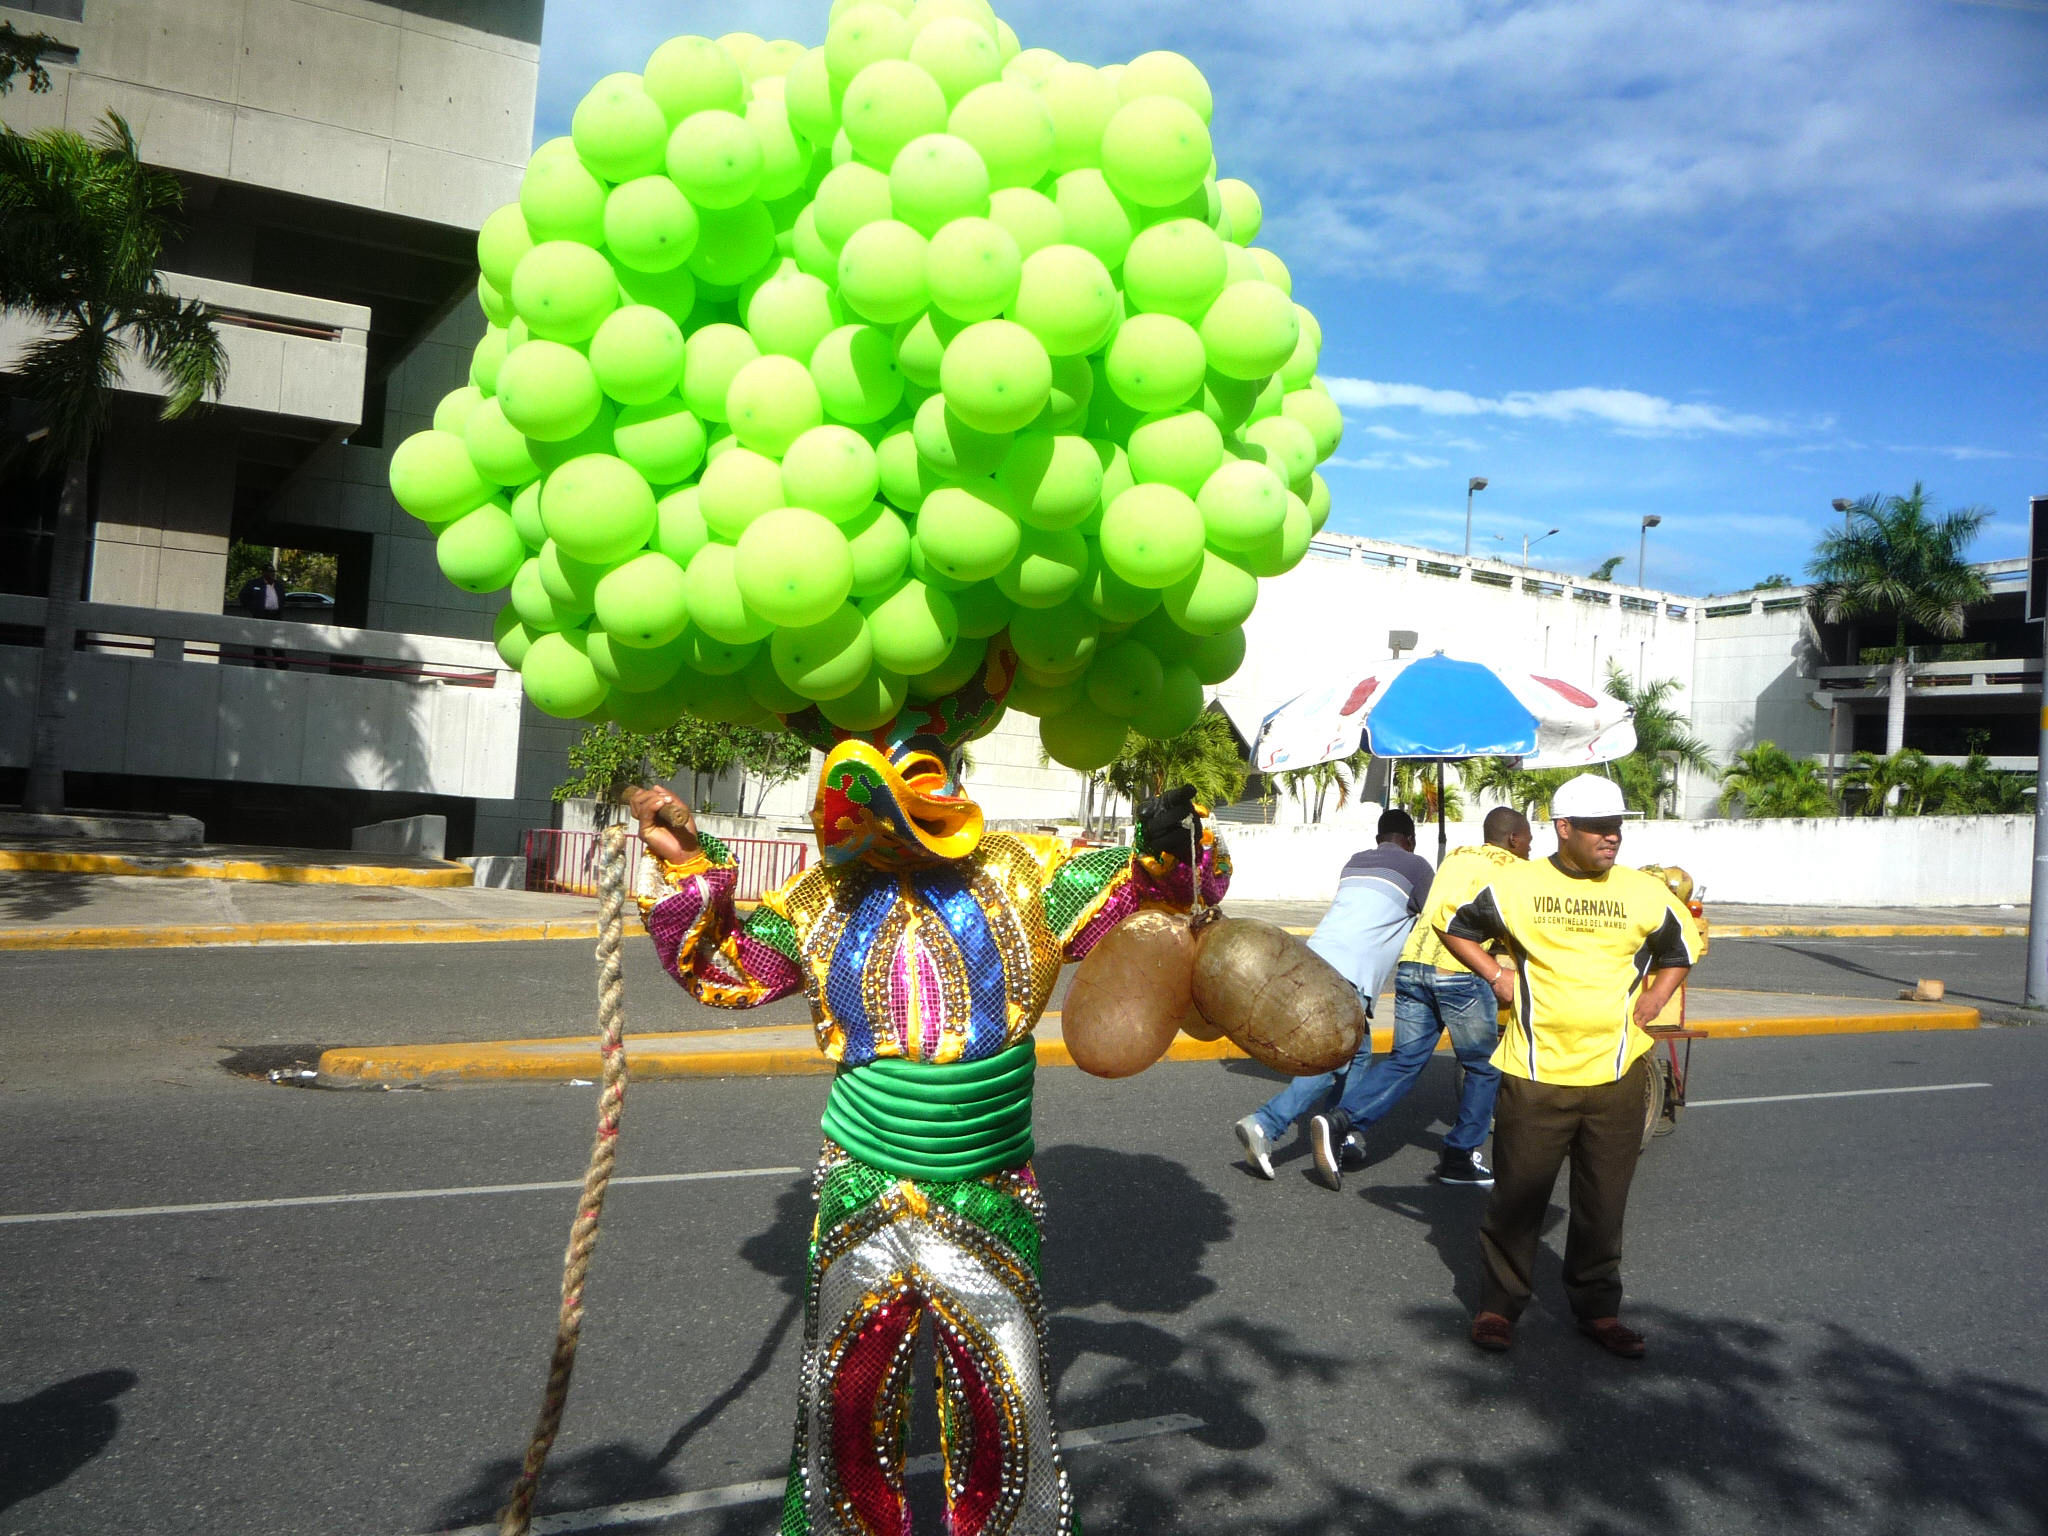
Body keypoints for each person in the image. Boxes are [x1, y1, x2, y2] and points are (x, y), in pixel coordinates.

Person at [628, 653, 1228, 1536]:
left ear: (949, 774)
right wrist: (692, 866)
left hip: (987, 1186)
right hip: (861, 1181)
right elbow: (727, 969)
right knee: (845, 1392)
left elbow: (1150, 905)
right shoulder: (820, 895)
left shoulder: (1023, 873)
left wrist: (1175, 847)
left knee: (1005, 1390)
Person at [1439, 773, 1702, 1360]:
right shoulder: (1519, 885)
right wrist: (1496, 974)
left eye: (1619, 828)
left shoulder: (1643, 890)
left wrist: (1655, 1000)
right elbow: (1454, 926)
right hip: (1535, 1074)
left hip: (1615, 1075)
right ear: (1564, 829)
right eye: (1601, 828)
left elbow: (1681, 950)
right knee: (1517, 1202)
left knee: (1604, 1205)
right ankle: (1497, 1308)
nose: (1614, 838)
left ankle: (1598, 1311)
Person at [1304, 806, 1533, 1191]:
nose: (1530, 846)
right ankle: (1460, 1156)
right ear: (1513, 839)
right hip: (1458, 972)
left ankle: (1339, 1121)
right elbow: (1519, 926)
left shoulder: (1457, 856)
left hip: (1412, 968)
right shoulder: (1518, 871)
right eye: (1528, 838)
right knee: (1482, 1065)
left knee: (1405, 1061)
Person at [1234, 807, 1435, 1189]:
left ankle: (1338, 1133)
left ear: (1379, 838)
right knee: (1331, 1060)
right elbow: (1434, 918)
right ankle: (1266, 1123)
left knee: (1357, 1051)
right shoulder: (1417, 867)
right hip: (1350, 976)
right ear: (1410, 839)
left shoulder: (1355, 862)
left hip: (1313, 960)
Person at [237, 565, 286, 668]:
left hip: (275, 617)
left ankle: (281, 664)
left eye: (273, 572)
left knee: (277, 641)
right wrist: (254, 609)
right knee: (260, 640)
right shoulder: (254, 584)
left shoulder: (278, 585)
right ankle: (260, 664)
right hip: (261, 616)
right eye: (269, 572)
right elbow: (243, 596)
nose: (271, 574)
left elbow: (282, 599)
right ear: (263, 572)